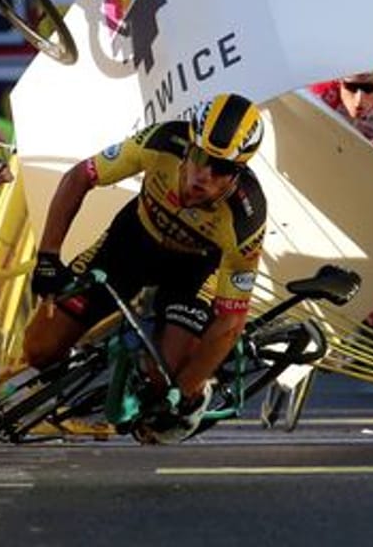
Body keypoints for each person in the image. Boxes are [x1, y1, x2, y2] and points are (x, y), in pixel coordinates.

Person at [23, 93, 266, 442]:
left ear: (237, 173)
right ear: (189, 147)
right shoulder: (161, 141)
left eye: (222, 169)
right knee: (39, 350)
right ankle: (89, 365)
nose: (203, 176)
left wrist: (184, 390)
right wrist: (47, 256)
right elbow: (80, 176)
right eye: (199, 158)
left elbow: (231, 320)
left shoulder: (246, 218)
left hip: (194, 269)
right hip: (132, 242)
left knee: (162, 382)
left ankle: (198, 390)